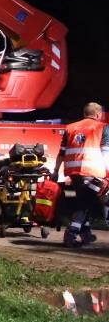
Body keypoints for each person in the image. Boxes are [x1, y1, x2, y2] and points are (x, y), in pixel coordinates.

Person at [55, 102, 109, 248]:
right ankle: (71, 235)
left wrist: (55, 171)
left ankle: (86, 235)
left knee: (83, 202)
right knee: (84, 206)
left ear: (85, 113)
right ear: (98, 114)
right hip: (93, 172)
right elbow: (106, 152)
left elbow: (61, 153)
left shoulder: (70, 128)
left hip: (74, 173)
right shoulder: (102, 127)